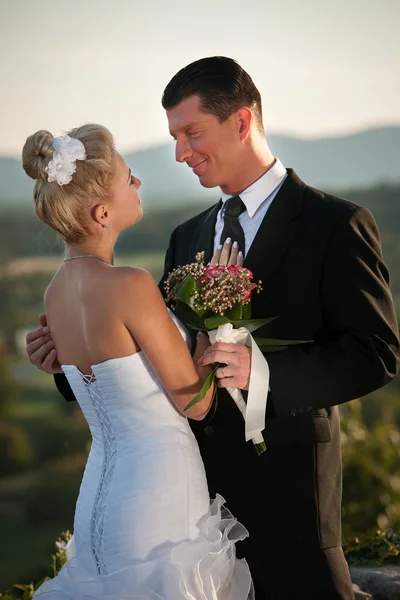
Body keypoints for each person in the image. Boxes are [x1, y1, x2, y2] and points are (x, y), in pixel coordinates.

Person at [26, 57, 400, 599]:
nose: (180, 152)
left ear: (242, 122)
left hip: (287, 495)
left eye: (191, 132)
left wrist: (261, 369)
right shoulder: (187, 235)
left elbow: (376, 352)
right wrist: (67, 365)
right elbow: (146, 348)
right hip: (183, 510)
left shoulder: (334, 224)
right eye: (175, 136)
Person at [22, 124, 254, 599]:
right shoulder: (129, 284)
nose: (140, 185)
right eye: (130, 179)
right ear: (103, 212)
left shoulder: (56, 292)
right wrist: (220, 320)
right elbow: (196, 403)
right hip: (158, 491)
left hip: (99, 496)